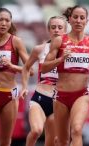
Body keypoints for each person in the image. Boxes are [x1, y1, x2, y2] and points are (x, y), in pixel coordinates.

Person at [41, 5, 89, 146]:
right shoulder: (59, 41)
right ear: (69, 20)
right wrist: (60, 60)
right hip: (61, 96)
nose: (78, 20)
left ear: (86, 21)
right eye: (75, 17)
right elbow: (44, 68)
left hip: (81, 94)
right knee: (62, 140)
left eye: (82, 18)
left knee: (76, 130)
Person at [20, 16, 67, 146]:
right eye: (53, 27)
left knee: (52, 141)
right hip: (40, 97)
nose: (56, 30)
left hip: (59, 102)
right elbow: (26, 68)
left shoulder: (70, 51)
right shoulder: (39, 49)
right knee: (36, 130)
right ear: (48, 30)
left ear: (65, 30)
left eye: (60, 27)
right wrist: (24, 86)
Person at [0, 8, 29, 146]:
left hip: (10, 95)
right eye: (0, 20)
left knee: (5, 140)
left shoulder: (16, 42)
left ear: (10, 23)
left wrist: (12, 66)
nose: (4, 23)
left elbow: (30, 69)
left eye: (7, 20)